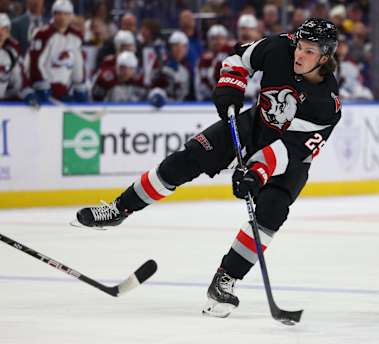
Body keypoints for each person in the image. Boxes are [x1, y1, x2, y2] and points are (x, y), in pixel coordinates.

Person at [75, 18, 342, 318]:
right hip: (253, 126)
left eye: (308, 51)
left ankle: (226, 279)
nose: (298, 55)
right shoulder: (281, 46)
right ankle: (118, 209)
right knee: (182, 162)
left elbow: (289, 150)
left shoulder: (326, 104)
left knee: (271, 213)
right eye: (299, 47)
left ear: (324, 57)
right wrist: (231, 85)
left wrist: (256, 172)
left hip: (288, 162)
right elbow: (239, 58)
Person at [28, 0, 88, 103]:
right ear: (53, 15)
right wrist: (41, 84)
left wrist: (79, 83)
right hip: (45, 89)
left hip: (65, 89)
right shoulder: (42, 34)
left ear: (71, 16)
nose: (62, 17)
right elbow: (35, 62)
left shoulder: (76, 36)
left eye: (66, 14)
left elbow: (78, 64)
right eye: (58, 13)